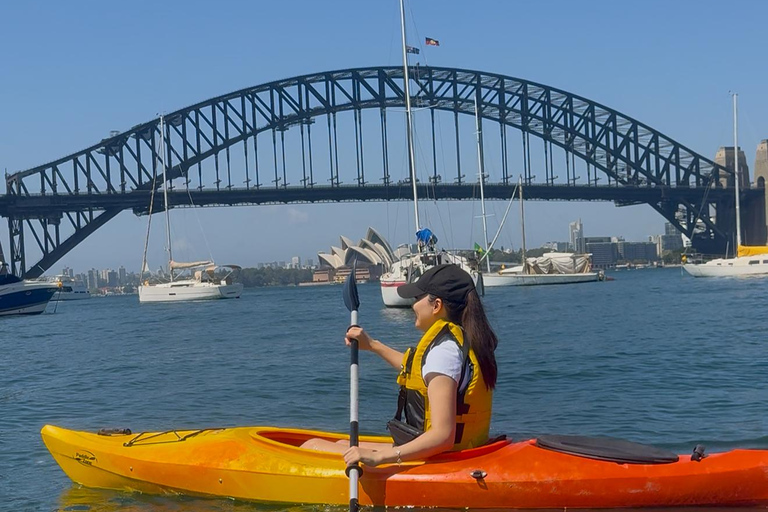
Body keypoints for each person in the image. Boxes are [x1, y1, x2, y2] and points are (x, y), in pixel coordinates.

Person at [301, 263, 499, 468]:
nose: (413, 305)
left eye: (417, 298)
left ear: (436, 305)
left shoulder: (444, 352)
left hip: (439, 457)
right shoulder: (461, 341)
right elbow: (417, 370)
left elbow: (443, 436)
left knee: (311, 446)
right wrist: (372, 345)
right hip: (456, 451)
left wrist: (380, 457)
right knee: (343, 444)